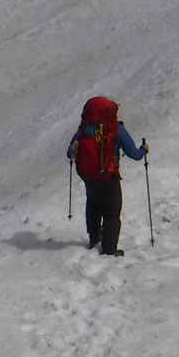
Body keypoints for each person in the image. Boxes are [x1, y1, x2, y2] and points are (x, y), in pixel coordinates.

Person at [67, 95, 147, 255]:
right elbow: (133, 154)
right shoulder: (116, 129)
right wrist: (143, 150)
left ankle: (94, 237)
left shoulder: (84, 129)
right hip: (109, 177)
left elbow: (70, 152)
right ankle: (109, 248)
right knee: (112, 213)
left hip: (89, 177)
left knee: (93, 205)